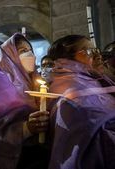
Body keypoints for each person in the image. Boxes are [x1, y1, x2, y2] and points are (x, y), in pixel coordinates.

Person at [0, 33, 50, 169]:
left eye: (31, 50)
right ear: (10, 57)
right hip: (15, 160)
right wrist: (26, 128)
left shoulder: (33, 83)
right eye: (23, 51)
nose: (30, 55)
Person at [47, 35, 115, 169]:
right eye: (89, 52)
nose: (98, 56)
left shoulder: (93, 79)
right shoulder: (68, 86)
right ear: (67, 59)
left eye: (96, 50)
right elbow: (85, 125)